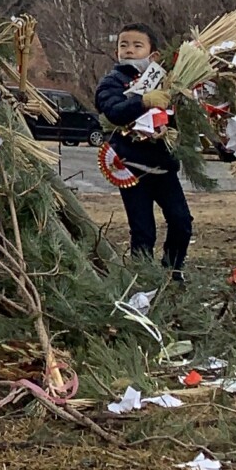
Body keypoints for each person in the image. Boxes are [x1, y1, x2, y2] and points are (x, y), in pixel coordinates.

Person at [94, 22, 193, 280]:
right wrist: (143, 101)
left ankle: (173, 271)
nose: (129, 50)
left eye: (137, 46)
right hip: (131, 168)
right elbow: (113, 112)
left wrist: (170, 129)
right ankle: (145, 278)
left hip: (163, 166)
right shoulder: (112, 81)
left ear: (153, 55)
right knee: (143, 230)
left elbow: (177, 117)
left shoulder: (167, 81)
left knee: (181, 221)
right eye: (123, 45)